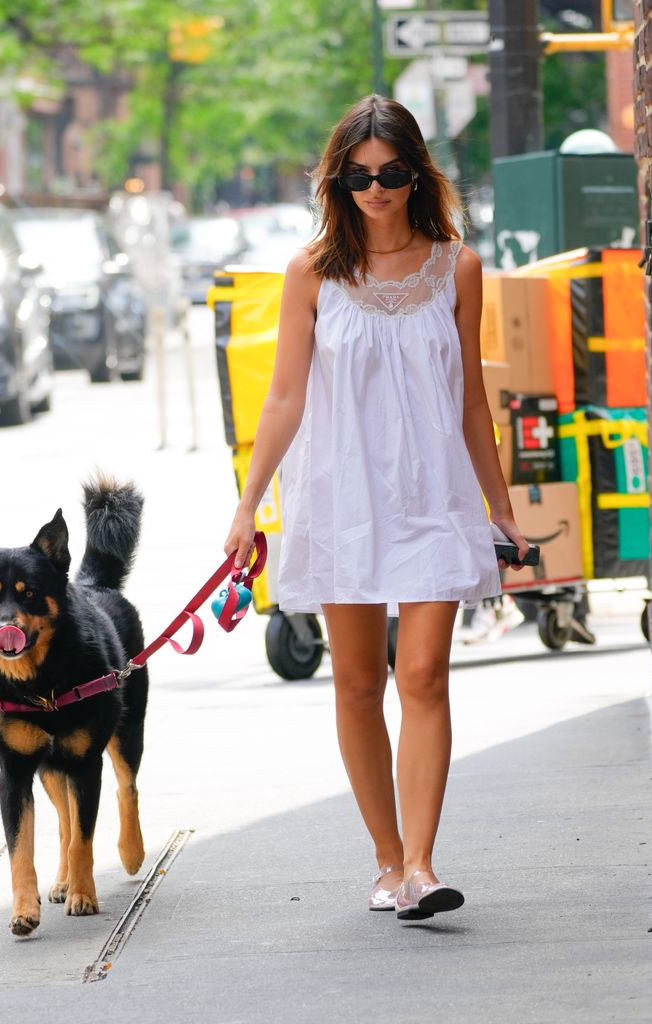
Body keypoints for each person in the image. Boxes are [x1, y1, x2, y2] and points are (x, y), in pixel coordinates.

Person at [224, 95, 529, 922]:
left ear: (416, 174)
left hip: (434, 494)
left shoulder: (458, 267)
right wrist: (250, 506)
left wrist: (499, 507)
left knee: (423, 673)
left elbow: (471, 401)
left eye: (392, 172)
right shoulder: (311, 274)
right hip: (342, 497)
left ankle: (425, 866)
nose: (376, 188)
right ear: (337, 181)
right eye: (358, 176)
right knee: (358, 683)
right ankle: (388, 862)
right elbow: (285, 399)